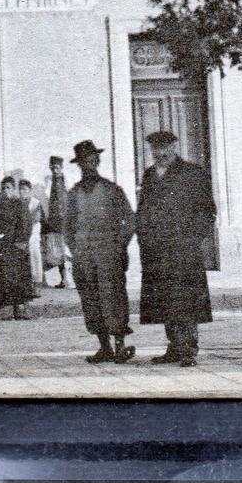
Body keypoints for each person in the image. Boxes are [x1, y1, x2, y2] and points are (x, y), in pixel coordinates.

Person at [137, 129, 217, 367]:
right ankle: (174, 346)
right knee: (164, 299)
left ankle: (189, 349)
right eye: (155, 149)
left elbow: (207, 211)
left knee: (185, 299)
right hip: (157, 249)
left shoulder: (192, 173)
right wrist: (143, 236)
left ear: (174, 148)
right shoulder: (150, 175)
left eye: (165, 148)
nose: (160, 153)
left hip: (183, 249)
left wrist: (193, 238)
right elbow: (144, 209)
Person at [64, 139, 136, 364]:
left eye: (92, 160)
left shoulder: (111, 190)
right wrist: (75, 249)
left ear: (97, 161)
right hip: (84, 257)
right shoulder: (74, 193)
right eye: (84, 162)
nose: (89, 165)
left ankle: (120, 345)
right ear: (79, 165)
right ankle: (104, 347)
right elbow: (68, 225)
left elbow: (129, 221)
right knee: (91, 300)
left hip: (108, 255)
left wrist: (118, 246)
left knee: (113, 299)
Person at [0, 176, 37, 319]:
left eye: (9, 188)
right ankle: (14, 310)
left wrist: (21, 242)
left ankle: (24, 309)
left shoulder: (19, 203)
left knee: (20, 278)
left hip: (17, 246)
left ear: (14, 189)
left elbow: (26, 223)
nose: (6, 191)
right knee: (10, 278)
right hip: (6, 246)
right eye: (3, 188)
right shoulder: (3, 204)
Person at [41, 156, 71, 289]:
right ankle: (63, 279)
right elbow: (45, 197)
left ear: (62, 167)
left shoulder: (68, 179)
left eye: (57, 168)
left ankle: (72, 279)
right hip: (54, 220)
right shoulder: (48, 180)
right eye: (52, 167)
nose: (55, 170)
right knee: (57, 249)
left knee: (68, 250)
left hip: (66, 218)